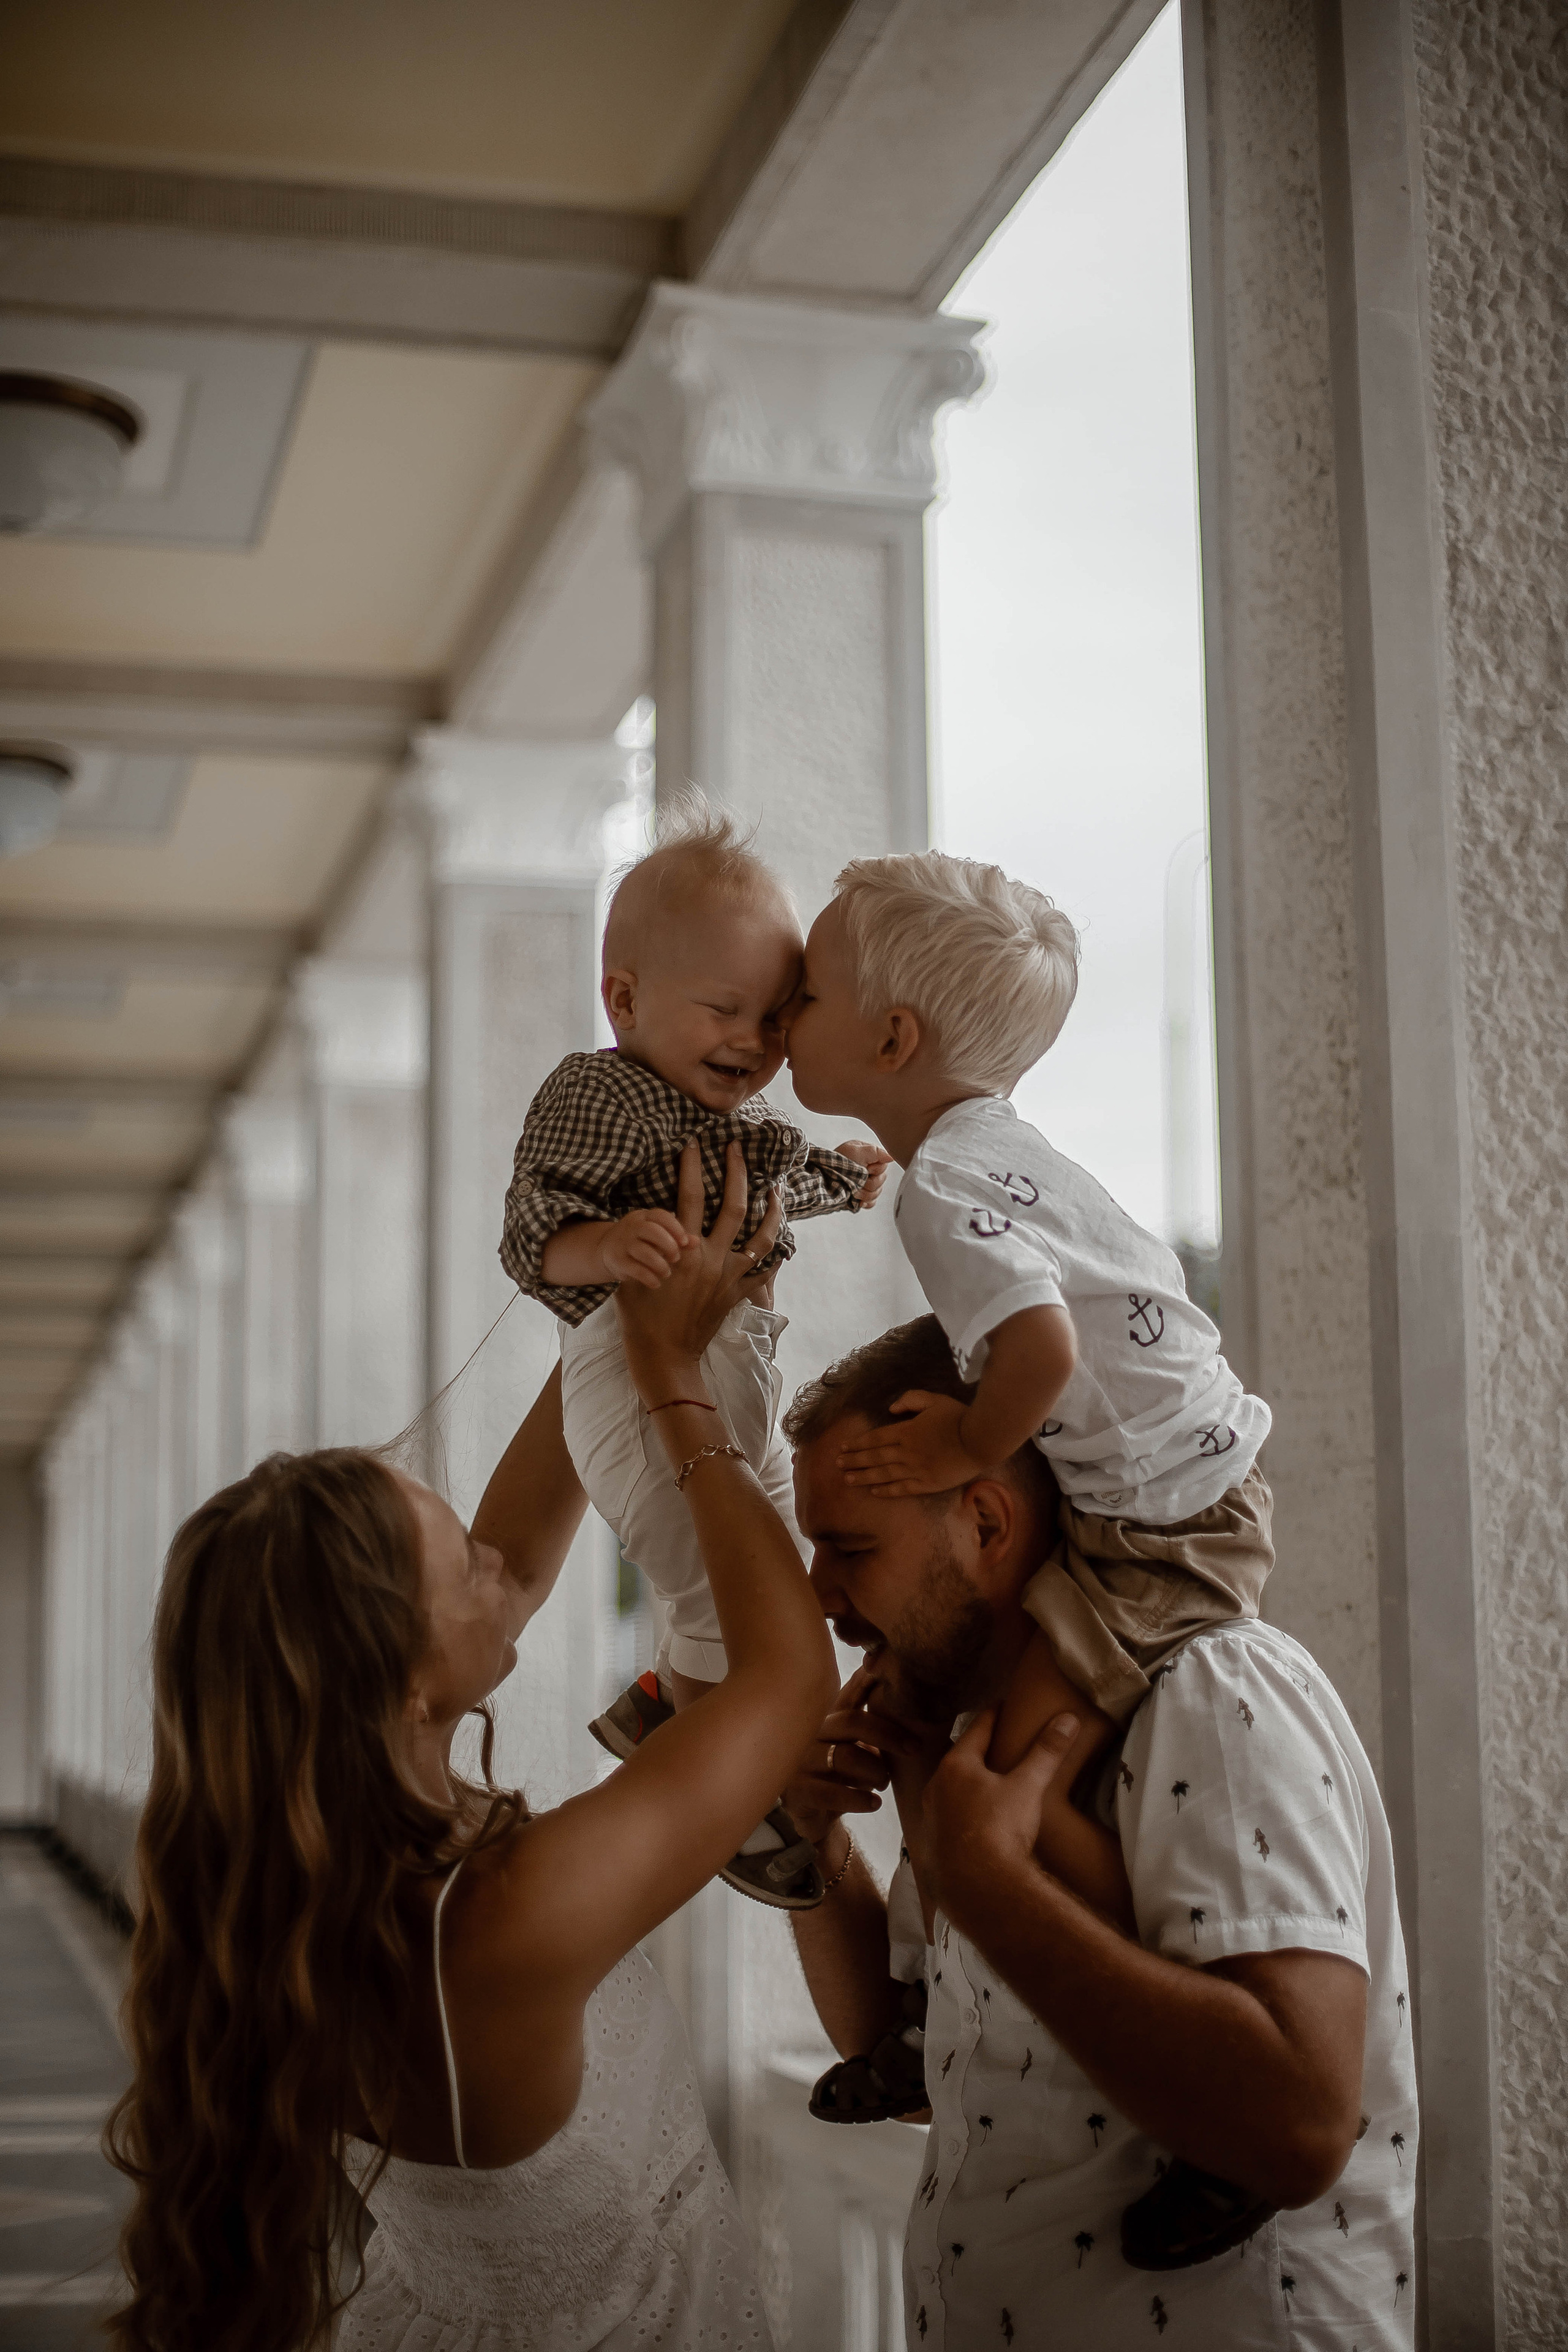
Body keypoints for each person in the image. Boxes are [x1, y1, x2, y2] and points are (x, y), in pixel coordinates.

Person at [105, 1142, 837, 2352]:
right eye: (466, 1571)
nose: (504, 1568)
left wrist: (619, 1299)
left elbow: (525, 1538)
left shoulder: (321, 1886)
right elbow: (785, 1674)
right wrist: (671, 1382)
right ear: (400, 1682)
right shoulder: (500, 1922)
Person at [783, 848, 1277, 2252]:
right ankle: (927, 2014)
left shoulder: (946, 1186)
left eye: (804, 995)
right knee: (980, 1738)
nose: (778, 1021)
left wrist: (947, 1448)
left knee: (1018, 1754)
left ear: (890, 1039)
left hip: (1165, 1521)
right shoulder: (985, 1154)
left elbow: (1045, 1346)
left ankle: (1205, 2113)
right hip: (1166, 1491)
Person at [778, 1316, 1419, 2349]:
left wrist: (994, 1885)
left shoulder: (1214, 1694)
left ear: (987, 1523)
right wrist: (819, 1847)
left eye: (851, 1547)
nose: (822, 1596)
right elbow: (925, 2063)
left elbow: (1299, 2127)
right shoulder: (974, 1747)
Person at [499, 796, 888, 1907]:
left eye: (773, 1020)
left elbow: (782, 1186)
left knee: (779, 1580)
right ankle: (735, 1792)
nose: (753, 1045)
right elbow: (528, 1230)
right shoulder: (601, 1097)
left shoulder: (741, 1129)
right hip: (631, 1379)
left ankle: (676, 1706)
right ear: (622, 997)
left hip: (733, 1376)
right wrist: (608, 1245)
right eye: (725, 1010)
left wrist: (845, 1179)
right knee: (720, 1583)